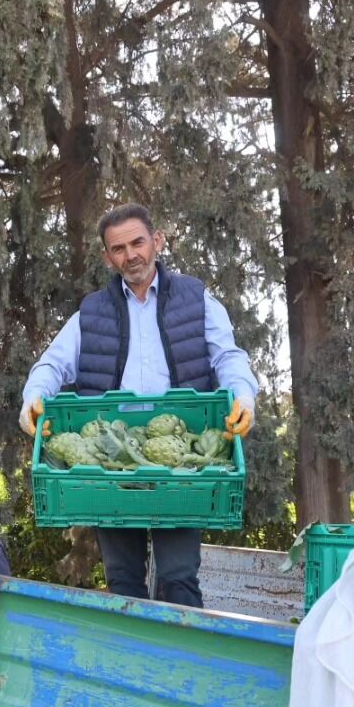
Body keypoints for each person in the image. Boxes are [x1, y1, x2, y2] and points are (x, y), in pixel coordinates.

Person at [18, 203, 258, 607]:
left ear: (157, 241)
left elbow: (228, 357)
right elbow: (53, 363)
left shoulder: (198, 300)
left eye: (138, 242)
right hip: (109, 465)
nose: (130, 255)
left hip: (182, 465)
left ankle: (183, 664)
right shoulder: (91, 312)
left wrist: (244, 396)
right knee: (122, 580)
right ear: (107, 256)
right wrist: (32, 400)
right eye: (118, 248)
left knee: (180, 578)